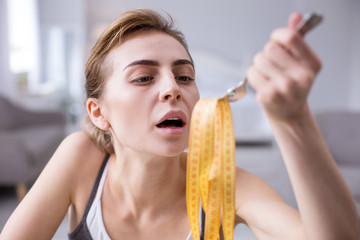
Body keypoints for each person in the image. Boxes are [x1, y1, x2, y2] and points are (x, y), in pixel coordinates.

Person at [1, 8, 359, 240]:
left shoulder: (220, 185)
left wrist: (294, 120)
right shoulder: (80, 158)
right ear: (98, 112)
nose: (173, 89)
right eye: (143, 78)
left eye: (185, 77)